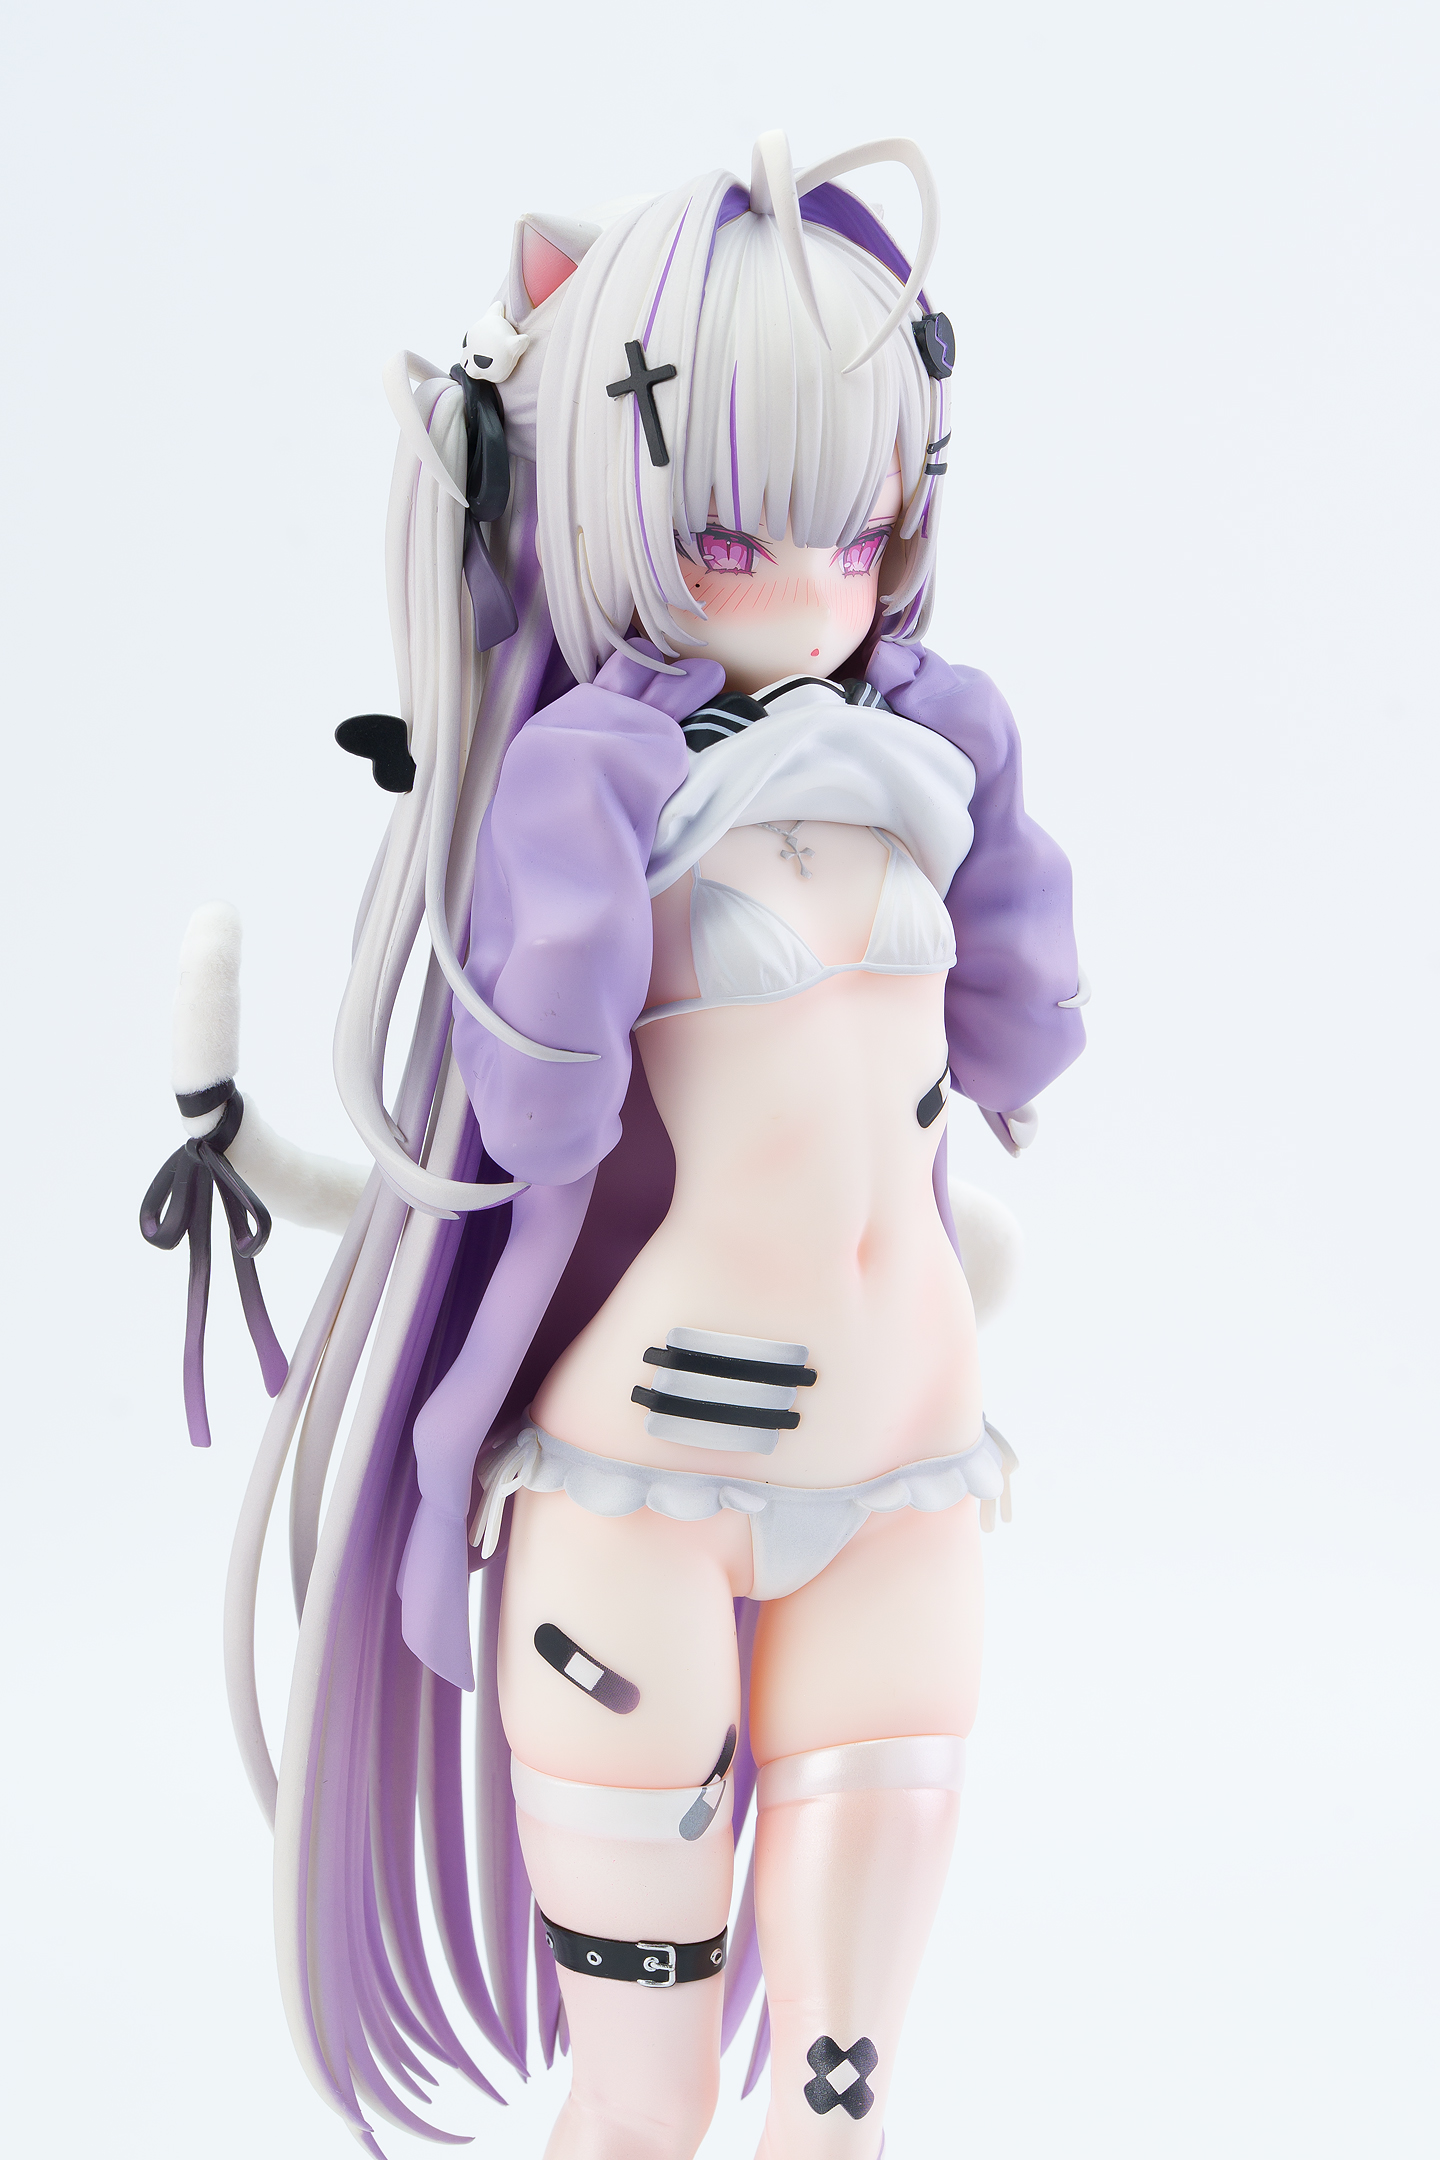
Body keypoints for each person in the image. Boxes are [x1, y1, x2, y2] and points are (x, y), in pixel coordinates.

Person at [151, 131, 1085, 2160]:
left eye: (864, 524)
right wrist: (556, 806)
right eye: (737, 533)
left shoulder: (933, 753)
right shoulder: (595, 782)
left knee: (839, 2099)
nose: (818, 587)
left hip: (912, 1471)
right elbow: (529, 1121)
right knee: (643, 2099)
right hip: (645, 1481)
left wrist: (979, 801)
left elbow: (1023, 1039)